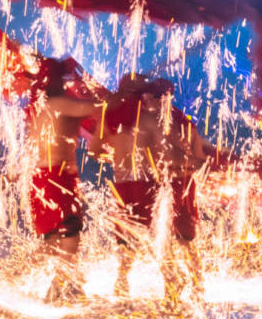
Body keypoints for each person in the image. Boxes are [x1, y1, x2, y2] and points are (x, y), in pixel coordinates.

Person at [94, 74, 212, 304]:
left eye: (155, 95)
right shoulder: (129, 118)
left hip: (171, 185)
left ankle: (190, 283)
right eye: (146, 94)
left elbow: (186, 158)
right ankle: (132, 282)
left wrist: (179, 166)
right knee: (130, 238)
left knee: (179, 239)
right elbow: (99, 150)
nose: (148, 98)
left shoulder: (173, 121)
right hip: (139, 185)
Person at [24, 57, 106, 303]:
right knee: (69, 234)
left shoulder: (43, 104)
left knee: (58, 237)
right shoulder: (57, 103)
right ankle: (54, 287)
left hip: (54, 176)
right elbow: (97, 107)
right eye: (62, 78)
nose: (67, 82)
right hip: (52, 177)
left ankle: (59, 284)